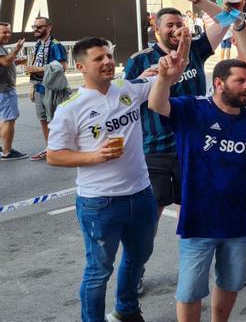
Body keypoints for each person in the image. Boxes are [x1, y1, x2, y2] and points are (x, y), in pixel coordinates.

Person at [148, 35, 246, 322]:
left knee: (230, 284)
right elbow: (157, 105)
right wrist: (165, 80)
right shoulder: (193, 109)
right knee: (190, 291)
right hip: (199, 221)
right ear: (219, 84)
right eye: (240, 81)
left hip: (239, 222)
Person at [47, 37, 163, 322]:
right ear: (81, 66)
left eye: (109, 56)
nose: (108, 62)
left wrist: (165, 67)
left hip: (141, 194)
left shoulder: (127, 88)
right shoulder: (70, 107)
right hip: (100, 202)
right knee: (98, 271)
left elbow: (162, 82)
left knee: (138, 258)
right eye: (98, 58)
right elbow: (54, 155)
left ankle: (126, 310)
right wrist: (94, 157)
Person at [124, 0, 228, 293]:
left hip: (193, 148)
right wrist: (143, 82)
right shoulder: (141, 59)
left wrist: (197, 0)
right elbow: (123, 97)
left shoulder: (195, 48)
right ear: (155, 28)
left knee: (194, 215)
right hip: (155, 149)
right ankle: (136, 271)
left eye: (179, 23)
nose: (175, 29)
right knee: (149, 220)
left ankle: (197, 273)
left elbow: (228, 18)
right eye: (169, 25)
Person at [26, 15, 68, 161]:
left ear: (48, 28)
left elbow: (63, 66)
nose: (35, 29)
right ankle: (49, 148)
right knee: (43, 119)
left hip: (51, 88)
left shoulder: (56, 45)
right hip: (39, 87)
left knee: (55, 120)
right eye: (34, 27)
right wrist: (32, 85)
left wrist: (38, 69)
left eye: (39, 27)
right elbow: (34, 67)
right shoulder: (38, 44)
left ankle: (61, 148)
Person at [0, 23, 26, 160]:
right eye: (4, 32)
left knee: (7, 118)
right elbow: (4, 62)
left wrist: (16, 62)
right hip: (5, 90)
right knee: (9, 120)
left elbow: (5, 64)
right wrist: (16, 50)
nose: (8, 35)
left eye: (9, 32)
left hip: (3, 90)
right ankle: (7, 152)